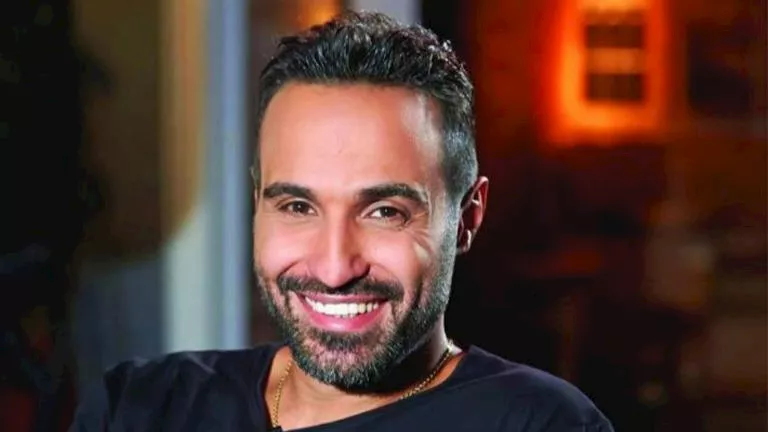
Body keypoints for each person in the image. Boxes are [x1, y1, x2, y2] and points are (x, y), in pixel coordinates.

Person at [69, 11, 613, 432]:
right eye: (297, 207)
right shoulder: (141, 407)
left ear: (468, 217)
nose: (334, 269)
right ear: (258, 205)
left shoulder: (538, 423)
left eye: (384, 212)